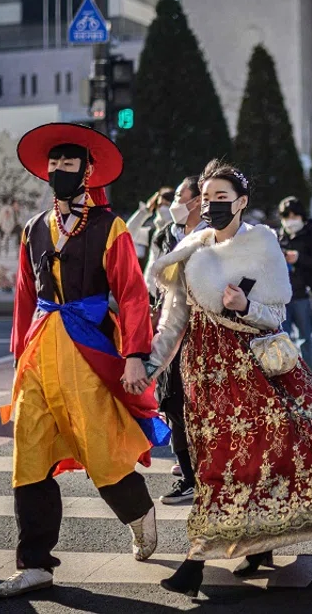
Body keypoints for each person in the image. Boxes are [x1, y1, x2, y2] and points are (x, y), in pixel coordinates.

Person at [145, 160, 312, 597]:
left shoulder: (263, 246)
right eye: (207, 197)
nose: (213, 206)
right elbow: (172, 322)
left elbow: (276, 316)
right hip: (205, 376)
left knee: (251, 462)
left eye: (222, 198)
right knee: (215, 464)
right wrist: (148, 366)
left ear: (242, 202)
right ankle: (258, 547)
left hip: (253, 374)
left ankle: (194, 563)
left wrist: (243, 306)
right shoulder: (190, 251)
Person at [0, 123, 170, 598]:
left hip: (87, 349)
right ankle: (35, 564)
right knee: (28, 456)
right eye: (54, 164)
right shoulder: (33, 229)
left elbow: (131, 293)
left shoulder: (112, 227)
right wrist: (18, 356)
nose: (59, 171)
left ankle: (139, 514)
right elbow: (25, 296)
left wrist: (134, 356)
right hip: (39, 351)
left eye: (70, 164)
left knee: (102, 450)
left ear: (88, 172)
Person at [143, 175, 206, 506]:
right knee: (171, 403)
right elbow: (154, 278)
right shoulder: (168, 233)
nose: (174, 204)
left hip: (200, 335)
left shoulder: (210, 239)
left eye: (180, 196)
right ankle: (189, 474)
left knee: (192, 406)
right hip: (169, 324)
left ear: (196, 201)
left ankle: (200, 476)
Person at [277, 196, 312, 371]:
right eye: (286, 217)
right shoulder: (277, 237)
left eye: (294, 216)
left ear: (302, 217)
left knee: (305, 338)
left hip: (303, 294)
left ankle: (310, 376)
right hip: (282, 296)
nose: (290, 221)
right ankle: (289, 376)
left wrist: (298, 258)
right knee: (283, 339)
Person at [127, 187, 174, 265]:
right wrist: (145, 211)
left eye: (166, 205)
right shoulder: (152, 233)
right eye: (159, 205)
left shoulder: (180, 232)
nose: (162, 208)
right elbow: (128, 233)